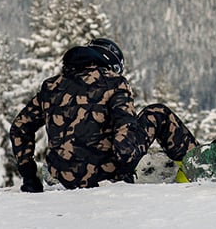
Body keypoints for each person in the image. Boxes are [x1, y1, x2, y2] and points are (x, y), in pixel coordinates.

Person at [10, 37, 199, 191]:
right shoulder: (114, 82)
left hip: (63, 177)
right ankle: (198, 164)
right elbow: (124, 137)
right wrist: (126, 171)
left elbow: (20, 126)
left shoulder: (51, 86)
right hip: (106, 177)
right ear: (110, 63)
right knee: (158, 112)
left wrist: (29, 177)